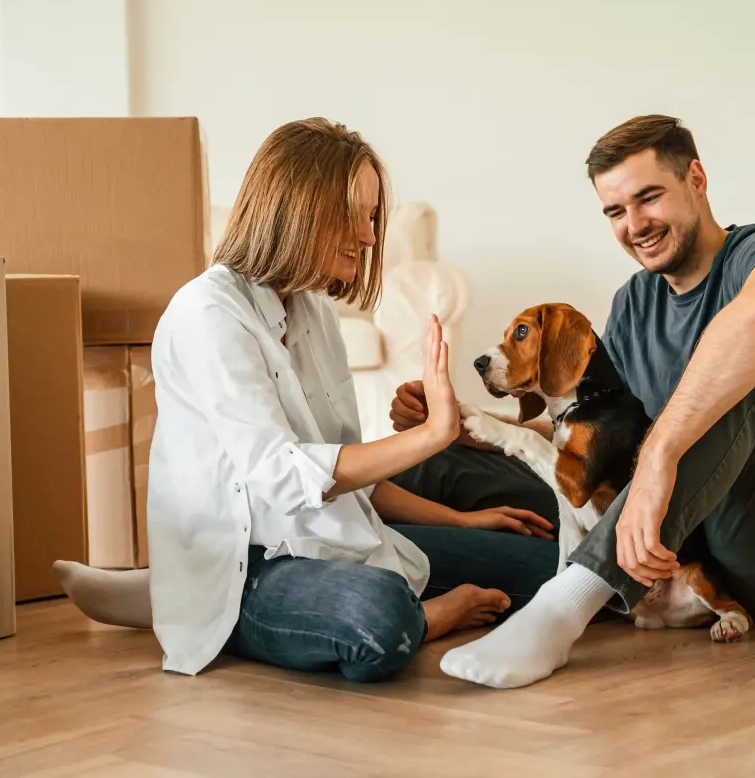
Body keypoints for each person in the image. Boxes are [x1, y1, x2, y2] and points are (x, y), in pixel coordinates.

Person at [52, 117, 562, 683]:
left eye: (372, 218)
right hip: (248, 565)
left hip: (334, 541)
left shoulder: (314, 311)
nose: (370, 238)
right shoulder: (209, 315)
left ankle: (159, 590)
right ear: (298, 209)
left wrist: (462, 523)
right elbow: (283, 476)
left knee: (553, 569)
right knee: (378, 615)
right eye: (357, 217)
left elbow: (350, 477)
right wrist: (428, 435)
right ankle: (188, 597)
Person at [390, 115, 755, 689]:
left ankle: (565, 605)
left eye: (649, 198)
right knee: (432, 465)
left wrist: (660, 452)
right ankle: (361, 575)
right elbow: (593, 437)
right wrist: (465, 427)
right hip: (666, 544)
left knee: (737, 378)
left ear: (696, 179)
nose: (635, 225)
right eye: (615, 211)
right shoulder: (633, 303)